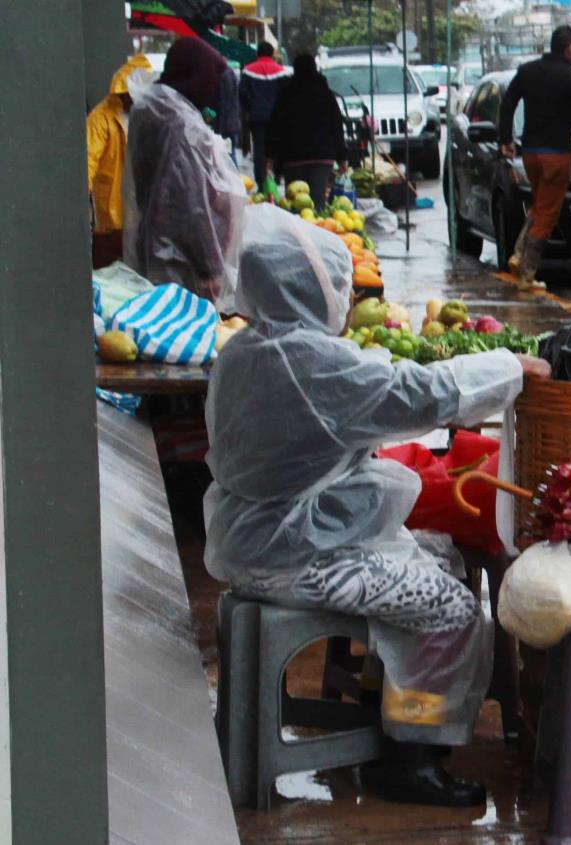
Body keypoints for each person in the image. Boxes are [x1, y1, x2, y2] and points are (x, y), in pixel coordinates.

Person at [203, 204, 552, 805]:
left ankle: (384, 704)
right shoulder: (309, 362)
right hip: (291, 555)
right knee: (453, 608)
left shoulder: (248, 352)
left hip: (252, 537)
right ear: (311, 291)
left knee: (436, 552)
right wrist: (510, 367)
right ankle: (409, 757)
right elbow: (415, 393)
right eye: (337, 286)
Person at [123, 37, 248, 306]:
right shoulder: (182, 123)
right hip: (182, 262)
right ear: (198, 75)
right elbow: (194, 204)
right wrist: (210, 268)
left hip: (154, 246)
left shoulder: (150, 108)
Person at [498, 25, 571, 291]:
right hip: (556, 155)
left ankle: (518, 254)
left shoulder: (527, 71)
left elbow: (508, 104)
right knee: (548, 214)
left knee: (539, 205)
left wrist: (505, 139)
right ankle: (527, 274)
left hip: (530, 154)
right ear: (569, 48)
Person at [266, 54, 347, 207]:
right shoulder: (326, 94)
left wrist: (270, 158)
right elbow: (337, 126)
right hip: (322, 157)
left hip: (293, 158)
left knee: (295, 204)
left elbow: (274, 127)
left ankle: (297, 231)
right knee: (317, 204)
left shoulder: (286, 94)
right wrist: (342, 158)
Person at [87, 54, 153, 235]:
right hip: (112, 213)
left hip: (140, 207)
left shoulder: (144, 116)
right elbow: (88, 160)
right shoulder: (100, 118)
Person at [240, 41, 290, 182]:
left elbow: (242, 94)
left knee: (259, 150)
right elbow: (286, 95)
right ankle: (277, 177)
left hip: (257, 117)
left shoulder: (248, 70)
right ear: (272, 54)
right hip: (277, 119)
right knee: (277, 147)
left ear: (257, 54)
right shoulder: (281, 72)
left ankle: (261, 184)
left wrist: (251, 108)